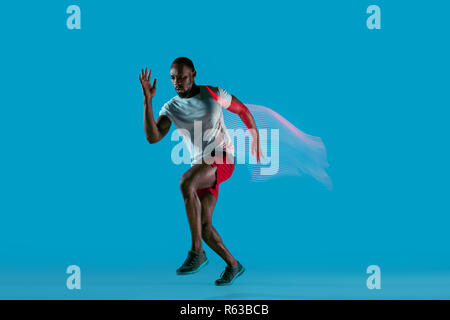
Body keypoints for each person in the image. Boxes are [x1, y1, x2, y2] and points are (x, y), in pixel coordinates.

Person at [139, 57, 263, 286]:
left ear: (194, 74)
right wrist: (148, 100)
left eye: (182, 77)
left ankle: (197, 252)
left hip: (222, 157)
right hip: (202, 166)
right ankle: (233, 265)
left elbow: (242, 110)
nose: (177, 82)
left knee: (186, 182)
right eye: (173, 78)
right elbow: (153, 137)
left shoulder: (213, 93)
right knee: (204, 226)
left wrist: (254, 136)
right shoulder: (171, 107)